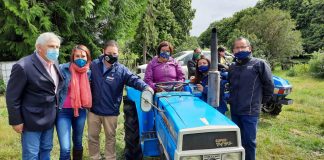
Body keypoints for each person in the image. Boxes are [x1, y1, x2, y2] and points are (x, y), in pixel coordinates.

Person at [88, 40, 153, 160]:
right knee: (92, 137)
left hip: (110, 112)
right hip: (94, 110)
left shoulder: (121, 70)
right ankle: (94, 157)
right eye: (109, 53)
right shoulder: (94, 65)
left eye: (115, 54)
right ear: (103, 52)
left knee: (110, 138)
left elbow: (133, 79)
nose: (112, 56)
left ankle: (110, 157)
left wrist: (145, 87)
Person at [6, 32, 63, 159]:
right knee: (31, 154)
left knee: (46, 149)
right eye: (51, 46)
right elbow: (12, 97)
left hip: (49, 119)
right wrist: (16, 121)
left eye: (57, 47)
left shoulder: (55, 62)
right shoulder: (23, 66)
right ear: (39, 47)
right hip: (31, 121)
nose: (55, 50)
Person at [228, 37, 274, 160]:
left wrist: (258, 102)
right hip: (235, 110)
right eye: (237, 48)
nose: (240, 50)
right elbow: (230, 85)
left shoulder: (259, 64)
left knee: (249, 142)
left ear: (250, 48)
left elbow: (269, 86)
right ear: (233, 50)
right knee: (237, 141)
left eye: (243, 47)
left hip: (250, 111)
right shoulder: (232, 66)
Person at [56, 45, 92, 160]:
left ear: (87, 58)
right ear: (73, 57)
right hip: (63, 112)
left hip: (81, 111)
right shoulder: (63, 69)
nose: (80, 58)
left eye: (83, 56)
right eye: (77, 56)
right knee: (65, 148)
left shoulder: (88, 72)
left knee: (78, 142)